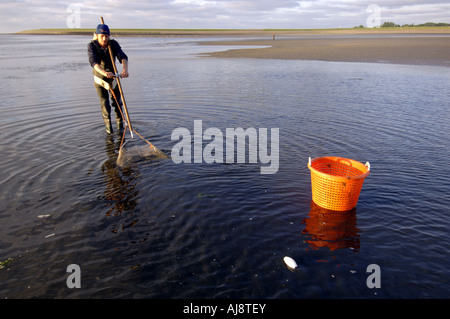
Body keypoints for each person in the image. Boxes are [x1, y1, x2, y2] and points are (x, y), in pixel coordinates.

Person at [87, 24, 129, 134]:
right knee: (105, 104)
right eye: (102, 36)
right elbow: (94, 63)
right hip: (100, 79)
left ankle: (120, 130)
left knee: (117, 103)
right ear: (97, 36)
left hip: (113, 78)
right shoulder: (92, 46)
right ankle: (109, 132)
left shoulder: (113, 44)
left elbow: (123, 57)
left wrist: (125, 70)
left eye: (106, 36)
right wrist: (105, 73)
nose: (105, 39)